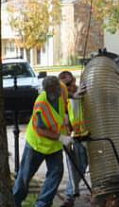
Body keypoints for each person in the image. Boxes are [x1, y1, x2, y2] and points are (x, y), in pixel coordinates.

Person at [13, 75, 71, 207]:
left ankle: (42, 204)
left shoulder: (60, 93)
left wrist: (66, 125)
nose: (54, 93)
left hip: (54, 146)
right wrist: (61, 138)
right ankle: (14, 202)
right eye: (50, 91)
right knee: (24, 176)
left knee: (56, 173)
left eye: (55, 90)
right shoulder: (41, 103)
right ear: (46, 90)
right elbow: (41, 130)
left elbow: (62, 112)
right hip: (37, 144)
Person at [58, 71, 88, 207]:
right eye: (65, 85)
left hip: (87, 136)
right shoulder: (63, 99)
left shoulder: (80, 92)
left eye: (70, 83)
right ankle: (70, 196)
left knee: (79, 167)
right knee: (76, 167)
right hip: (75, 138)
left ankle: (71, 196)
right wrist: (66, 139)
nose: (68, 87)